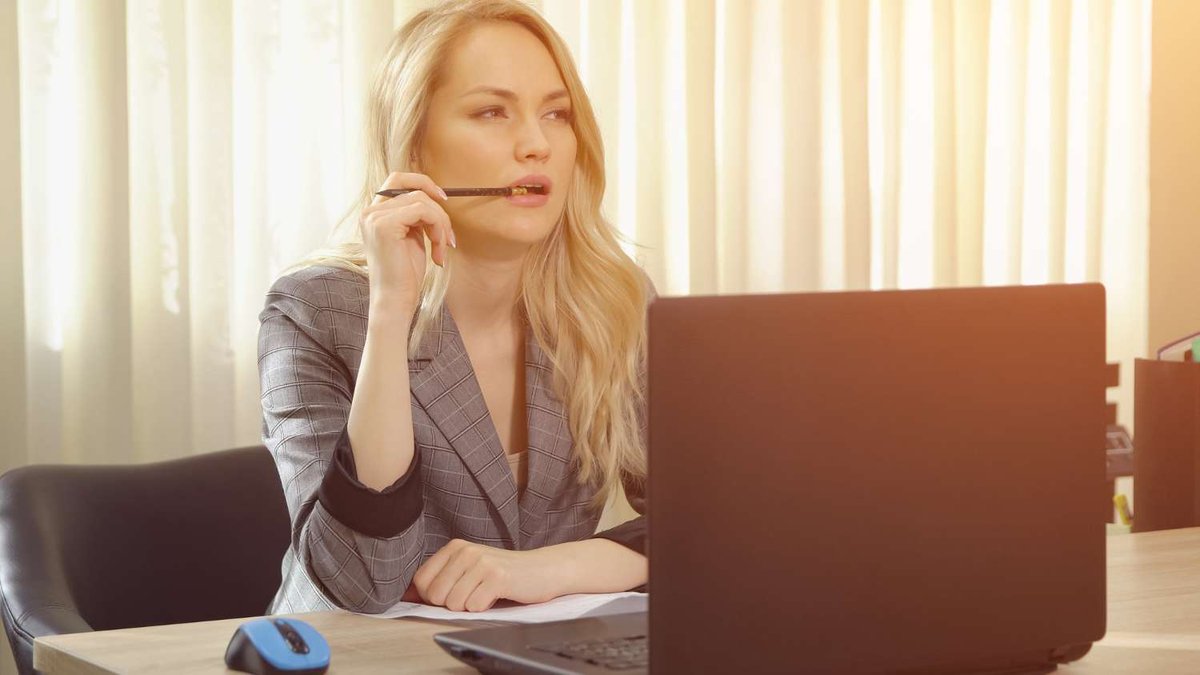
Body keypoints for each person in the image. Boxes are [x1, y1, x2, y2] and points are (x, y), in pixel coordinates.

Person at [257, 0, 653, 615]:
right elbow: (362, 579)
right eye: (492, 112)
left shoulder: (613, 301)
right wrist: (391, 311)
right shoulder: (315, 310)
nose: (536, 144)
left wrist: (549, 569)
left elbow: (711, 520)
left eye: (556, 114)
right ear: (413, 146)